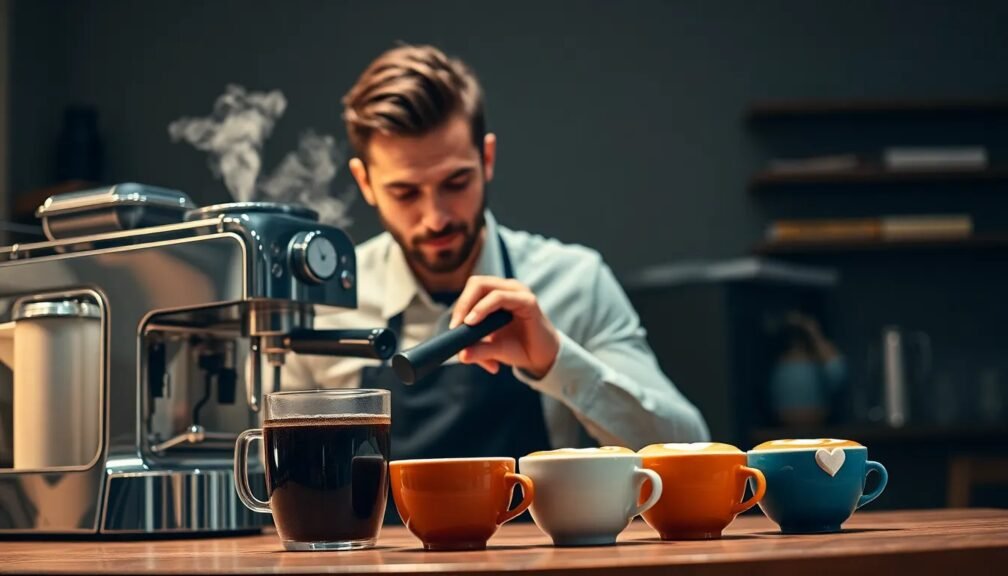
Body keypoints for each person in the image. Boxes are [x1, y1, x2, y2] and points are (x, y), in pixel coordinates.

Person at [282, 44, 708, 460]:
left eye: (455, 183)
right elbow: (271, 473)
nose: (436, 218)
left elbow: (689, 448)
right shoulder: (325, 305)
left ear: (486, 158)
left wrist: (556, 360)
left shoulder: (576, 281)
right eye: (405, 192)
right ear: (365, 183)